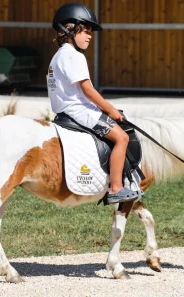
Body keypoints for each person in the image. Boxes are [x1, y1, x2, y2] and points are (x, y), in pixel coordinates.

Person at [48, 2, 138, 204]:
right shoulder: (73, 56)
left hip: (66, 110)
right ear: (69, 29)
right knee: (122, 138)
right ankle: (116, 188)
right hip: (79, 111)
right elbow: (87, 90)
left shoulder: (59, 55)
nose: (89, 36)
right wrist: (110, 109)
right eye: (85, 31)